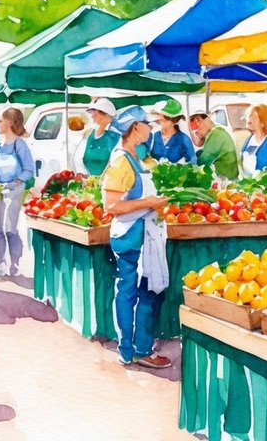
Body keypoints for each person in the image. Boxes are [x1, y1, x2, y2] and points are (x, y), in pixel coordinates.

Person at [100, 106, 172, 369]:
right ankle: (138, 350)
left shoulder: (132, 156)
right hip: (132, 236)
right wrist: (149, 202)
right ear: (135, 128)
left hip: (138, 233)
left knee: (131, 291)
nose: (151, 128)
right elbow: (112, 206)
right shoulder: (121, 161)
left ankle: (129, 350)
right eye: (147, 124)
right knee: (140, 292)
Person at [0, 108, 35, 277]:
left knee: (10, 228)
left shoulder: (19, 145)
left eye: (0, 121)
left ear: (10, 122)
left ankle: (14, 263)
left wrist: (14, 182)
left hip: (14, 191)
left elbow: (29, 170)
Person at [75, 99, 120, 177]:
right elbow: (78, 160)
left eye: (95, 112)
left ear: (106, 116)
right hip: (88, 183)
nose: (92, 116)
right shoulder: (89, 136)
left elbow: (116, 164)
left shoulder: (115, 138)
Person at [190, 111, 239, 180]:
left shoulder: (216, 135)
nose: (198, 134)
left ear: (198, 120)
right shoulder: (216, 133)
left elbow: (203, 162)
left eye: (198, 130)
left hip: (228, 182)